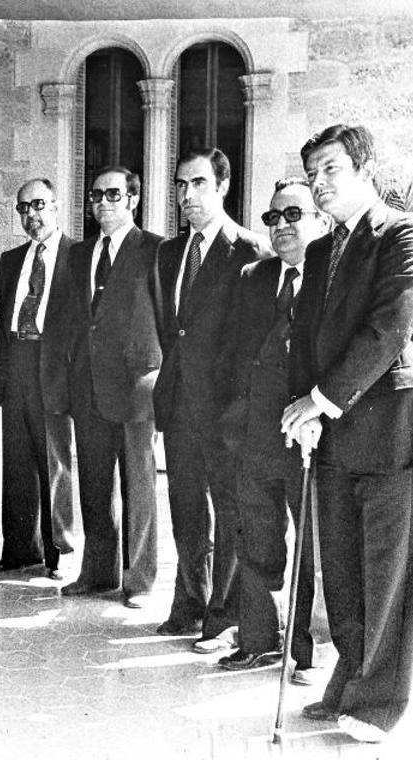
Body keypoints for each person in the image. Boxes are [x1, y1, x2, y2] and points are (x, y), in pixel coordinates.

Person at [282, 124, 413, 744]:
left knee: (388, 576)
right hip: (334, 435)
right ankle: (349, 683)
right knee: (343, 573)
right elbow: (307, 339)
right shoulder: (323, 248)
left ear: (364, 169)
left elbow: (388, 330)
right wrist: (301, 411)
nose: (319, 184)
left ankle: (379, 705)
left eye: (331, 170)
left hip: (393, 432)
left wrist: (319, 401)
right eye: (313, 174)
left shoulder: (405, 233)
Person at [213, 177, 326, 679]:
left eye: (293, 214)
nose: (281, 225)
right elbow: (232, 352)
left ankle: (306, 651)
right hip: (254, 434)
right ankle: (257, 639)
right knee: (256, 539)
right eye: (273, 217)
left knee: (310, 545)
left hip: (309, 435)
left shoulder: (331, 277)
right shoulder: (252, 277)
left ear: (320, 219)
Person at [152, 147, 256, 652]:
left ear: (223, 186)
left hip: (225, 410)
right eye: (180, 184)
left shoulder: (249, 251)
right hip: (179, 405)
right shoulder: (170, 253)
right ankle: (190, 602)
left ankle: (224, 617)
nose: (186, 194)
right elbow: (171, 329)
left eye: (198, 183)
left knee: (230, 511)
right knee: (186, 507)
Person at [61, 167, 162, 607]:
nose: (103, 202)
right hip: (88, 384)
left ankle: (139, 580)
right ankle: (98, 573)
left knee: (138, 486)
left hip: (136, 384)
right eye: (96, 195)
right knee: (94, 484)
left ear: (133, 199)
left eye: (113, 194)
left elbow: (166, 317)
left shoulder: (155, 250)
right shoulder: (80, 254)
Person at [0, 179, 76, 580]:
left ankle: (60, 552)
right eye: (23, 208)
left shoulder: (77, 256)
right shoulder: (10, 260)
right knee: (17, 462)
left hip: (52, 366)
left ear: (56, 206)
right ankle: (20, 549)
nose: (31, 215)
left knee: (53, 463)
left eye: (39, 205)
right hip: (15, 362)